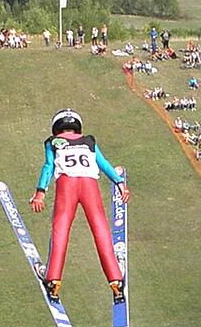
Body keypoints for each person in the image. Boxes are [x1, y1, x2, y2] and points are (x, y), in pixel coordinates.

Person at [29, 109, 130, 302]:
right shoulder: (89, 141)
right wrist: (119, 183)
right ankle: (116, 281)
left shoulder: (53, 142)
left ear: (57, 127)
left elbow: (49, 166)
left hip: (67, 185)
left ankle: (53, 280)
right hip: (89, 184)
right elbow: (103, 163)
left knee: (61, 229)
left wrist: (40, 192)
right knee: (100, 228)